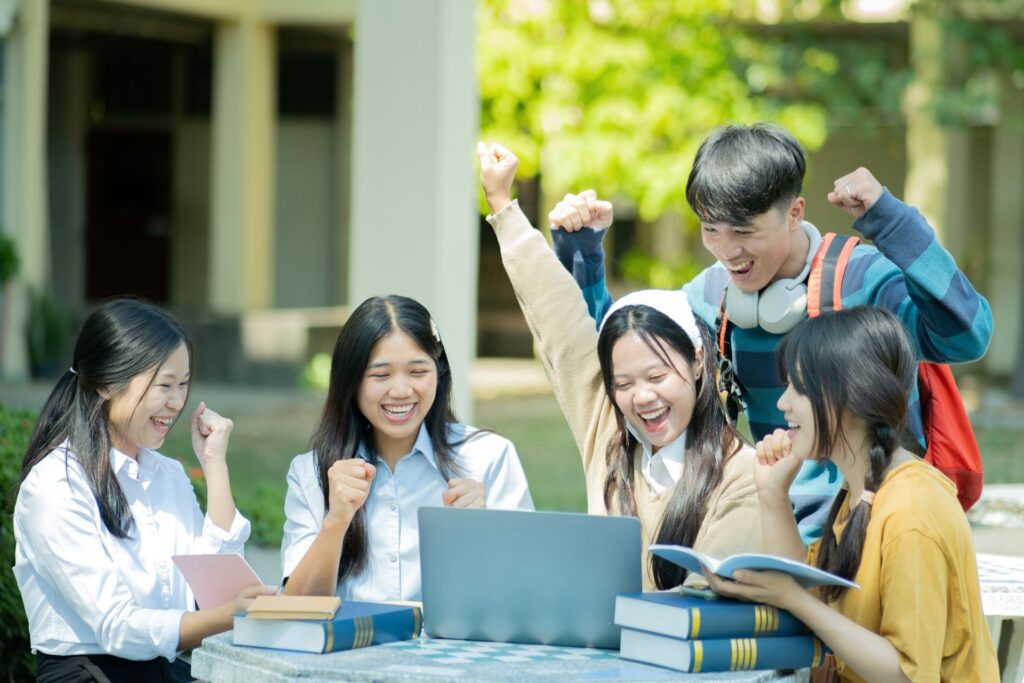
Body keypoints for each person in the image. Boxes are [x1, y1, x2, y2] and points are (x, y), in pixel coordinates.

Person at [550, 123, 993, 543]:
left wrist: (894, 222)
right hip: (766, 525)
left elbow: (967, 336)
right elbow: (624, 354)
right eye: (710, 230)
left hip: (874, 529)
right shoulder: (712, 296)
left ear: (794, 214)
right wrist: (584, 254)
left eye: (743, 231)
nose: (727, 251)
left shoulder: (864, 280)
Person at [478, 142, 762, 590]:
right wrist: (502, 205)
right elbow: (558, 323)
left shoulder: (743, 474)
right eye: (623, 382)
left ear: (698, 362)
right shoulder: (608, 433)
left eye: (657, 376)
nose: (642, 397)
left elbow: (706, 600)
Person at [703, 307, 999, 682]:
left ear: (850, 395)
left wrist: (791, 598)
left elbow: (905, 675)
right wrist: (772, 493)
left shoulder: (913, 510)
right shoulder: (860, 488)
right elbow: (814, 592)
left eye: (798, 388)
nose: (782, 404)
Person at [13, 298, 273, 683]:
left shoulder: (167, 475)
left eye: (183, 385)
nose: (176, 402)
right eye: (164, 385)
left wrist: (215, 467)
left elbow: (215, 589)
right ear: (104, 383)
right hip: (88, 673)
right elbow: (115, 626)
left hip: (162, 670)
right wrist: (226, 614)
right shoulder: (55, 486)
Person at [280, 295, 534, 601]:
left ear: (438, 374)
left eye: (417, 372)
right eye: (380, 375)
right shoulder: (310, 473)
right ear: (351, 382)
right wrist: (336, 520)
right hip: (352, 649)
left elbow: (524, 591)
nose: (401, 391)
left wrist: (481, 531)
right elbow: (296, 607)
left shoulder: (489, 457)